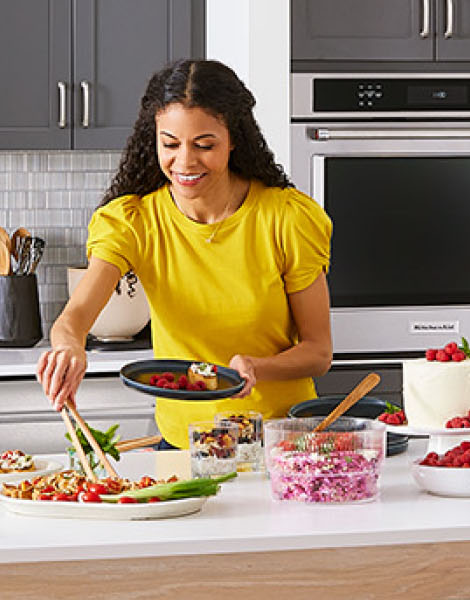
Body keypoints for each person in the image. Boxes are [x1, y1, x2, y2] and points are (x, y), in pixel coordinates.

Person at [36, 59, 335, 448]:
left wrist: (257, 367)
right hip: (183, 445)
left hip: (281, 445)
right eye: (170, 144)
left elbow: (318, 352)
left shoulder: (285, 218)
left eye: (204, 145)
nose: (185, 162)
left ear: (233, 140)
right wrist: (69, 349)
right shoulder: (134, 221)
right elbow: (73, 319)